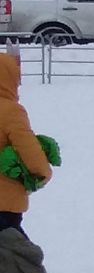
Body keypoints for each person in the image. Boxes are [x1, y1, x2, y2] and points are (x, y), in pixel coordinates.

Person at [0, 50, 54, 234]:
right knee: (19, 258)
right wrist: (43, 173)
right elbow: (28, 149)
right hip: (4, 203)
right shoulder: (10, 111)